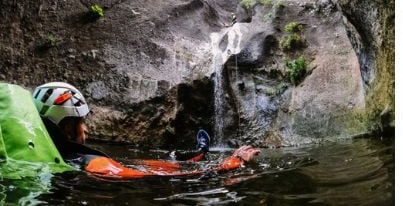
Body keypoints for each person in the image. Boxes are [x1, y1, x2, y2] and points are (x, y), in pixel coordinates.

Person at [33, 82, 260, 178]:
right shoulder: (93, 163)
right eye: (82, 122)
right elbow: (149, 178)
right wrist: (231, 164)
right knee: (160, 167)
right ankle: (196, 155)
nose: (87, 129)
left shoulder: (48, 155)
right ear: (68, 125)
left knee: (154, 161)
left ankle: (194, 155)